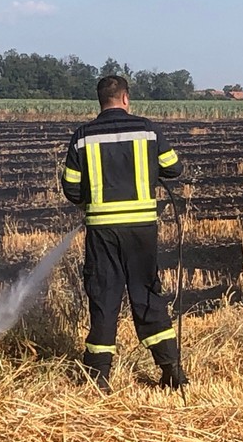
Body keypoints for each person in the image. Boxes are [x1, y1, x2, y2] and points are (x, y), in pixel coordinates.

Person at [61, 75, 187, 393]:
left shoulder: (82, 137)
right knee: (147, 294)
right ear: (126, 98)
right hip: (141, 230)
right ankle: (171, 369)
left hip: (103, 231)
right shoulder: (148, 130)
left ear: (100, 101)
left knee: (104, 297)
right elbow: (174, 168)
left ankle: (99, 378)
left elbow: (72, 190)